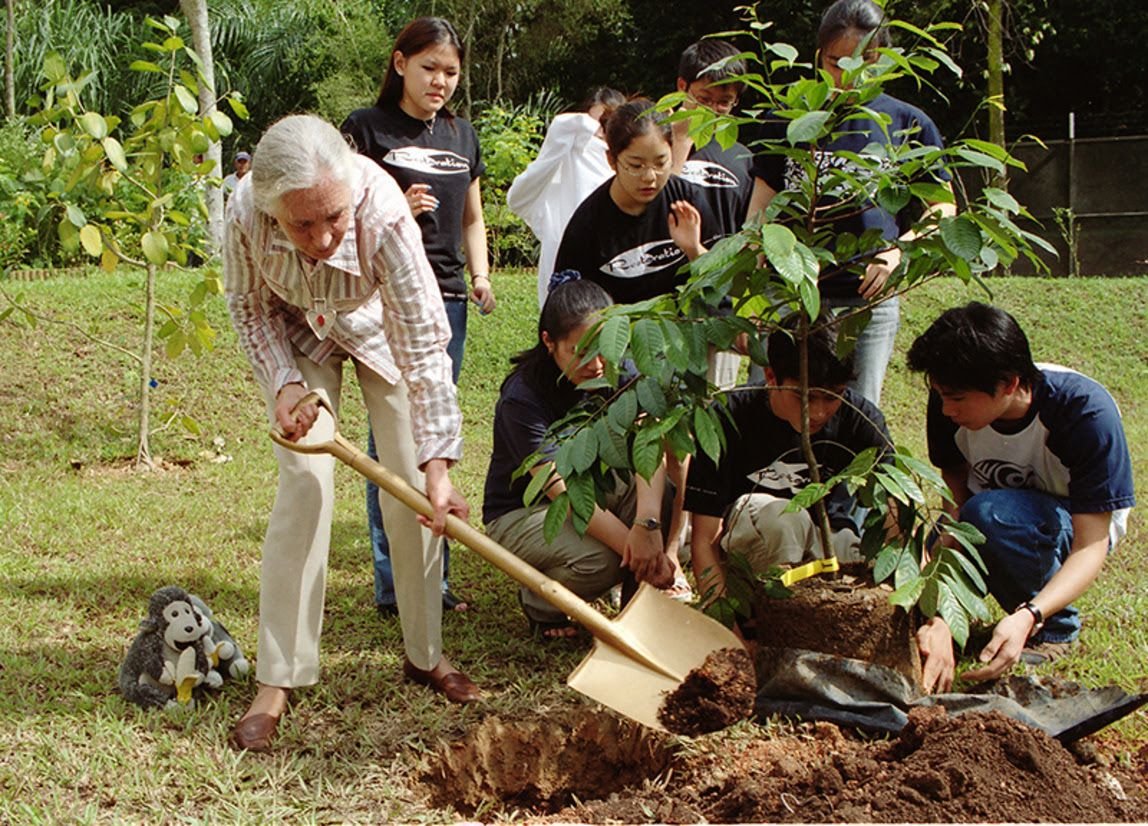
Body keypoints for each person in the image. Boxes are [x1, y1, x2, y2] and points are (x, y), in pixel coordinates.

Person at [223, 114, 481, 753]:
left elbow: (424, 344)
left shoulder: (384, 213)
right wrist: (284, 384)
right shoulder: (244, 212)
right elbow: (250, 308)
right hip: (298, 335)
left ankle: (424, 654)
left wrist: (438, 466)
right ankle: (279, 677)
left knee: (411, 491)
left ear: (350, 189)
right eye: (301, 224)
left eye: (332, 216)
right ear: (271, 207)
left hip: (377, 330)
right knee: (304, 485)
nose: (322, 235)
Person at [341, 17, 495, 617]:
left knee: (436, 436)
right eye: (429, 67)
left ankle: (435, 580)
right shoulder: (365, 128)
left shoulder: (462, 136)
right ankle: (394, 586)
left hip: (448, 302)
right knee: (392, 442)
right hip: (385, 300)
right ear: (400, 63)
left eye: (451, 72)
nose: (441, 81)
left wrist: (479, 276)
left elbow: (472, 219)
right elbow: (342, 213)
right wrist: (393, 210)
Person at [907, 302, 1134, 692]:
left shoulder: (1082, 413)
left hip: (1068, 524)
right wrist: (940, 612)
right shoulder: (948, 403)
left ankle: (1055, 629)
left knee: (992, 514)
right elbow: (955, 513)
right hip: (986, 516)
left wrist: (1030, 614)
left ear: (1009, 384)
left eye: (957, 398)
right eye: (940, 395)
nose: (946, 409)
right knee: (912, 571)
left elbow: (1090, 545)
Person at [747, 0, 956, 405]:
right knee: (769, 403)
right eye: (834, 62)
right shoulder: (787, 119)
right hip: (788, 295)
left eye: (866, 61)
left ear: (886, 59)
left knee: (856, 410)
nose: (847, 75)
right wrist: (753, 282)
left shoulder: (908, 123)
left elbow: (943, 207)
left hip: (866, 302)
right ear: (817, 58)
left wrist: (899, 252)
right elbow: (762, 209)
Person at [483, 274, 677, 638]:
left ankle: (636, 609)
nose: (597, 365)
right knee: (600, 562)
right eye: (581, 352)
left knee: (658, 490)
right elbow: (561, 490)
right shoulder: (522, 398)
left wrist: (648, 525)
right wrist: (639, 554)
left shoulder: (623, 373)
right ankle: (541, 605)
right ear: (549, 343)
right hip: (523, 511)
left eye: (604, 347)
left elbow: (647, 447)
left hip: (593, 491)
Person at [684, 317, 891, 602]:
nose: (817, 413)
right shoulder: (728, 416)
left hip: (825, 542)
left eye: (833, 398)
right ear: (771, 376)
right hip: (753, 547)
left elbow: (896, 507)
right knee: (784, 520)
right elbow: (705, 540)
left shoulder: (860, 419)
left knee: (865, 560)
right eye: (805, 397)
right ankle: (772, 611)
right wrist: (723, 620)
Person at [553, 98, 723, 305]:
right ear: (612, 160)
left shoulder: (687, 202)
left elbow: (724, 283)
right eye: (636, 165)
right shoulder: (588, 223)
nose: (650, 176)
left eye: (661, 163)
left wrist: (694, 249)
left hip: (684, 331)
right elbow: (565, 307)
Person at [507, 87, 626, 308]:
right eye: (595, 125)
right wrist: (572, 135)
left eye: (607, 124)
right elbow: (517, 198)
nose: (599, 135)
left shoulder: (631, 167)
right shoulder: (570, 161)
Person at [671, 39, 754, 237]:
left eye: (724, 102)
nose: (712, 110)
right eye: (704, 99)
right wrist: (680, 144)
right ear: (682, 86)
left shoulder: (744, 159)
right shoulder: (657, 144)